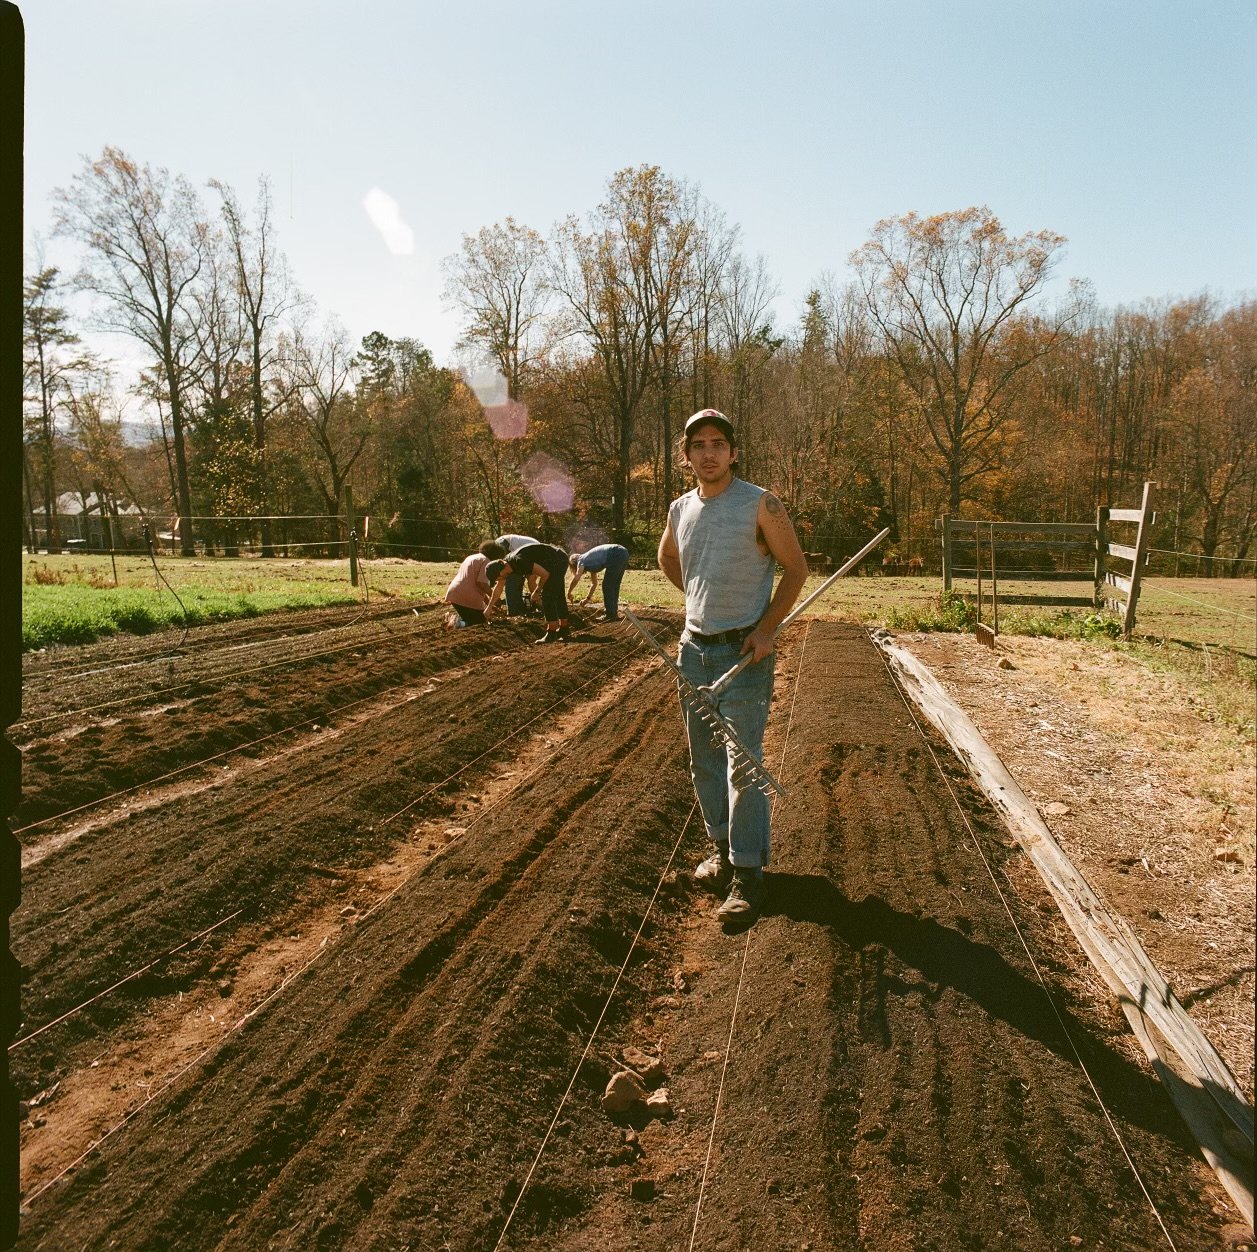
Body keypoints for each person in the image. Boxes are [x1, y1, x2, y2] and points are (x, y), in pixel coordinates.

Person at [657, 408, 808, 921]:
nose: (709, 452)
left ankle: (748, 874)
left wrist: (765, 628)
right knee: (704, 760)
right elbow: (668, 560)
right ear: (686, 456)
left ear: (733, 451)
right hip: (693, 650)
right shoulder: (681, 509)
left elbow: (796, 568)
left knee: (743, 765)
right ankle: (720, 852)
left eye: (718, 443)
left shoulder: (761, 503)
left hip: (744, 653)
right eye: (698, 445)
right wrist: (698, 603)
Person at [485, 540, 573, 643]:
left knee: (548, 595)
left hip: (557, 559)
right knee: (557, 593)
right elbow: (499, 588)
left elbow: (545, 574)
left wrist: (537, 591)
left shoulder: (519, 561)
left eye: (497, 577)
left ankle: (552, 632)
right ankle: (564, 629)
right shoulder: (506, 564)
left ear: (500, 571)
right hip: (554, 559)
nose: (499, 580)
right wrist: (489, 608)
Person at [480, 533, 540, 616]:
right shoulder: (495, 550)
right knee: (508, 577)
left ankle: (516, 611)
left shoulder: (524, 559)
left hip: (530, 551)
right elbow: (499, 583)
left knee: (513, 579)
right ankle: (516, 610)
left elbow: (531, 581)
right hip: (509, 546)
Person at [568, 544, 630, 621]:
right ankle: (613, 613)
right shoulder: (589, 561)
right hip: (623, 552)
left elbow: (576, 578)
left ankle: (610, 614)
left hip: (615, 553)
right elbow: (594, 584)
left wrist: (569, 592)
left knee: (607, 585)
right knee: (614, 585)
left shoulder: (581, 560)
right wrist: (587, 599)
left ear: (574, 563)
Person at [443, 550, 493, 626]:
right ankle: (457, 624)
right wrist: (495, 598)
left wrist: (490, 603)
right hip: (467, 596)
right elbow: (482, 584)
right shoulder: (486, 561)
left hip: (454, 593)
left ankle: (456, 619)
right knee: (480, 621)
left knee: (470, 616)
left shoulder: (472, 557)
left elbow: (478, 586)